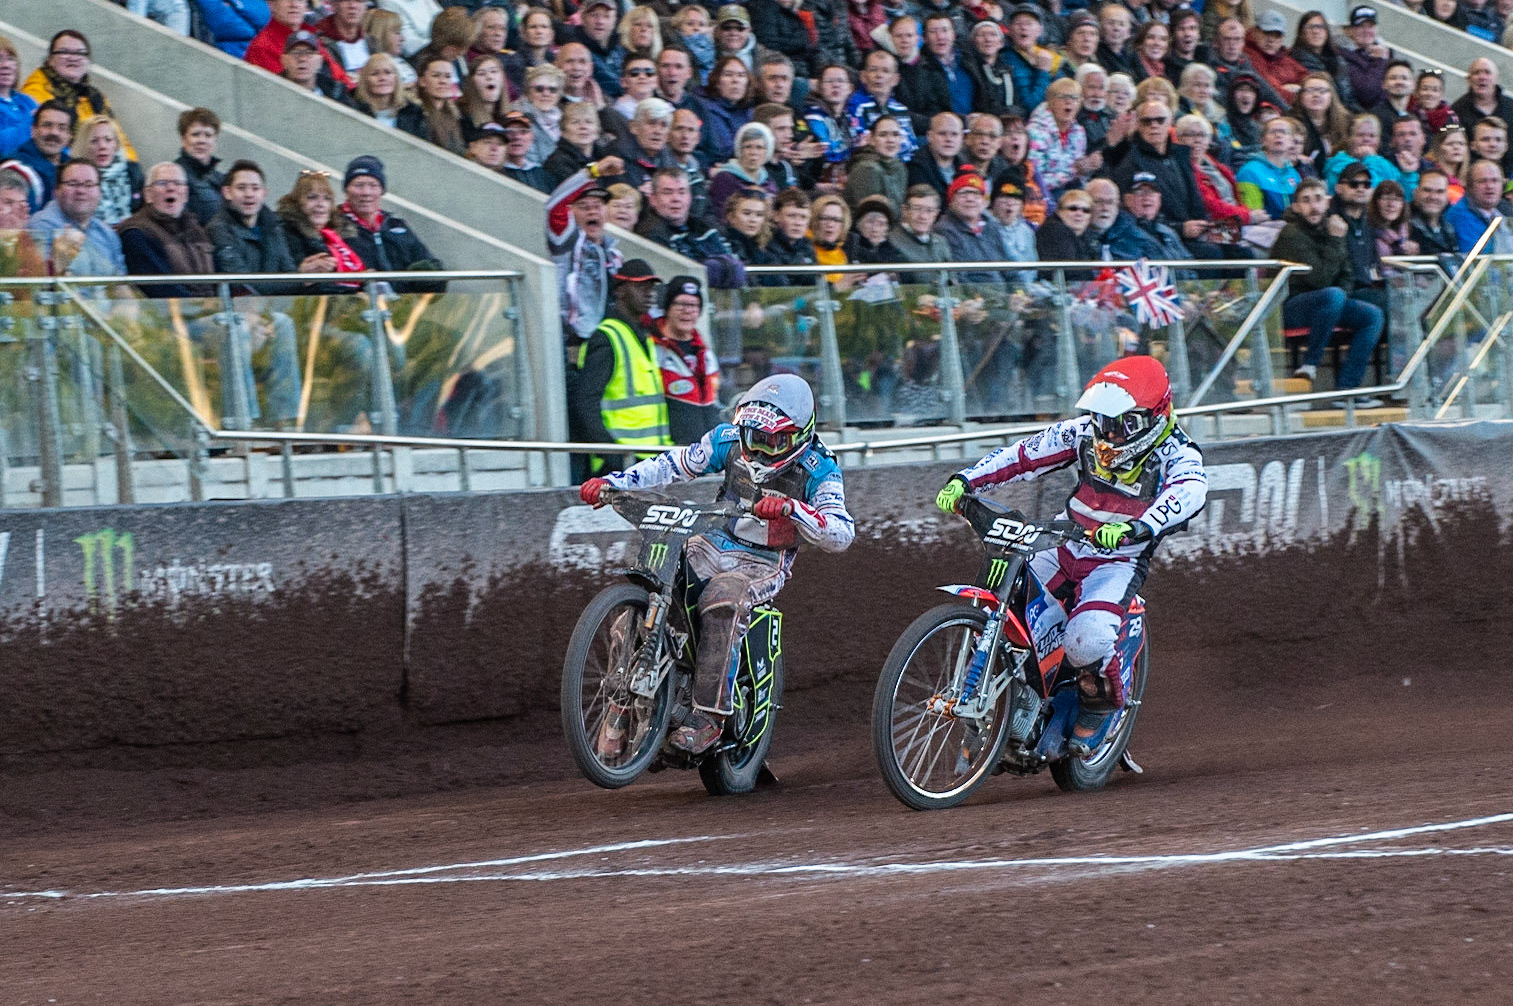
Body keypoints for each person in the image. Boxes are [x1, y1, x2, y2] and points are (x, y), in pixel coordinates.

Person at [934, 354, 1208, 756]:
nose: (1109, 433)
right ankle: (1019, 689)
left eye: (1122, 424)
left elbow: (1189, 492)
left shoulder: (1177, 453)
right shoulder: (1083, 433)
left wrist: (1138, 527)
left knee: (1086, 640)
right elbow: (1023, 455)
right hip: (1064, 542)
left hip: (1117, 560)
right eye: (1103, 419)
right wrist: (966, 480)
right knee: (1008, 594)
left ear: (1152, 418)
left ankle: (1101, 708)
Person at [580, 372, 854, 755]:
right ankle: (619, 702)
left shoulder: (820, 467)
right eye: (753, 437)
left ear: (799, 436)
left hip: (763, 560)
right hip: (709, 539)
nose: (758, 450)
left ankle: (710, 716)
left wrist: (794, 510)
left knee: (723, 598)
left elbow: (841, 531)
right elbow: (675, 463)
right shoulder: (726, 439)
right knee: (649, 590)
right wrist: (616, 483)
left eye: (772, 441)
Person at [1271, 177, 1385, 401]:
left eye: (1318, 199)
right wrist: (1336, 241)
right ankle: (1311, 362)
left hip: (1329, 303)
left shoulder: (1333, 228)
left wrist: (1341, 295)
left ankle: (1348, 390)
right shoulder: (1291, 234)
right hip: (1288, 307)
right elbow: (1319, 280)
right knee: (1332, 294)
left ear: (1327, 203)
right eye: (1306, 201)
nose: (1313, 206)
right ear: (1296, 207)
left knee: (1372, 314)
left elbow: (1347, 274)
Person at [569, 258, 669, 477]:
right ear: (621, 290)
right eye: (641, 286)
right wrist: (611, 455)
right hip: (621, 463)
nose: (649, 293)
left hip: (648, 459)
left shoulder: (643, 335)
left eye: (652, 287)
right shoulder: (608, 337)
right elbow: (586, 401)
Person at [21, 31, 136, 160]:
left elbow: (119, 139)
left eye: (80, 53)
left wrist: (131, 164)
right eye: (64, 52)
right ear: (50, 60)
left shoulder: (95, 97)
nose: (73, 58)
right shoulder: (37, 88)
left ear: (88, 61)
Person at [547, 155, 625, 345]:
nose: (592, 212)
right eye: (583, 207)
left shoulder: (614, 254)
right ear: (571, 213)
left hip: (610, 339)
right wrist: (592, 172)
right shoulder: (565, 243)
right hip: (576, 340)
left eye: (597, 206)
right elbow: (553, 206)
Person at [336, 155, 446, 282]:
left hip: (402, 301)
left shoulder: (396, 226)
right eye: (359, 185)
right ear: (346, 190)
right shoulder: (333, 226)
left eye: (373, 185)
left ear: (382, 191)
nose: (366, 192)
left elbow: (432, 266)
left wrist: (426, 279)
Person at [650, 274, 722, 443]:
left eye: (694, 305)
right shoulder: (652, 347)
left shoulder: (705, 352)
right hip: (669, 453)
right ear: (667, 307)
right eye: (680, 304)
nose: (687, 311)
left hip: (706, 456)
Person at [30, 158, 127, 279]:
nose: (81, 190)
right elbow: (37, 287)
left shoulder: (107, 233)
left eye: (89, 184)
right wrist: (58, 261)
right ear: (56, 191)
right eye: (73, 184)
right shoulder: (40, 226)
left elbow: (121, 286)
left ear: (99, 192)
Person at [245, 0, 352, 90]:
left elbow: (340, 76)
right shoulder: (262, 47)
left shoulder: (310, 35)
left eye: (300, 0)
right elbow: (285, 92)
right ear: (271, 4)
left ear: (306, 6)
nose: (294, 4)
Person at [72, 115, 141, 227]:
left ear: (116, 144)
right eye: (94, 141)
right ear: (83, 145)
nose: (102, 146)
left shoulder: (132, 171)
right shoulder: (73, 177)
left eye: (108, 140)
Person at [1236, 116, 1301, 219]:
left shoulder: (1294, 174)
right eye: (1273, 132)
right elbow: (1254, 215)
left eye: (1284, 132)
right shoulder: (1249, 172)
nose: (1278, 135)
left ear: (1291, 141)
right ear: (1263, 141)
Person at [1444, 158, 1513, 253]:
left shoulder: (1506, 210)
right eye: (1482, 181)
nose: (1490, 186)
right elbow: (1476, 256)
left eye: (1495, 181)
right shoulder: (1460, 215)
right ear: (1469, 187)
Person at [844, 114, 909, 212]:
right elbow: (872, 213)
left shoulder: (900, 167)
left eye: (895, 134)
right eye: (883, 135)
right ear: (871, 139)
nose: (890, 140)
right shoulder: (867, 168)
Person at [1451, 58, 1513, 138]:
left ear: (1496, 79)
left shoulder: (1510, 107)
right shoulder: (1457, 110)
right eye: (1476, 73)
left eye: (1487, 72)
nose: (1482, 77)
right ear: (1469, 80)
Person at [0, 36, 39, 157]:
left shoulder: (26, 101)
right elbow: (4, 146)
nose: (6, 65)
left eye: (11, 59)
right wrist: (33, 122)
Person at [1409, 168, 1459, 255]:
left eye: (1440, 192)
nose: (1433, 197)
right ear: (1415, 193)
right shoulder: (1401, 224)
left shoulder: (1451, 226)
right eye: (1427, 190)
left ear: (1447, 197)